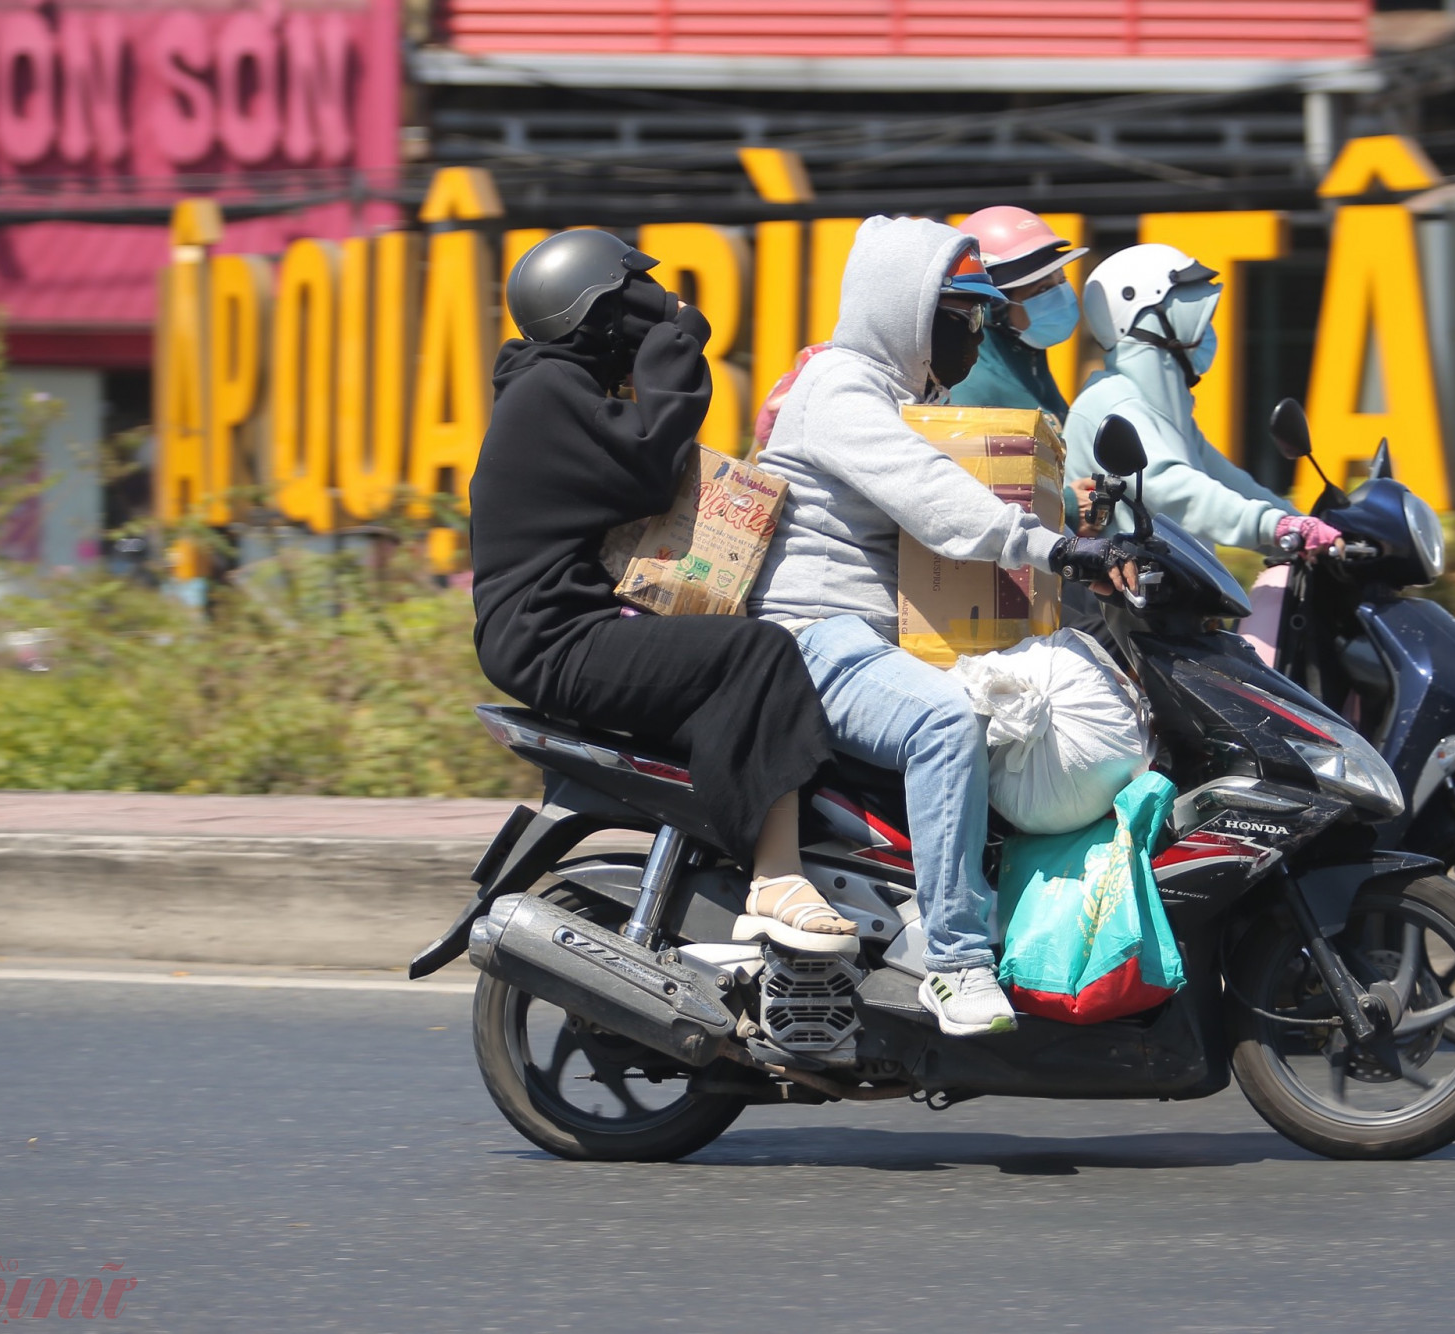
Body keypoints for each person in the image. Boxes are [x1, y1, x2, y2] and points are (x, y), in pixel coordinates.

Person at [747, 215, 1129, 1035]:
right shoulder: (842, 387)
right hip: (814, 634)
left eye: (981, 313)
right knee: (946, 722)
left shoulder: (912, 397)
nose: (972, 329)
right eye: (958, 311)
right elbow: (930, 495)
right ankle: (955, 964)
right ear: (905, 307)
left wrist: (1080, 519)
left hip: (873, 635)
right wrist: (1051, 548)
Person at [468, 229, 855, 953]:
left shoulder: (558, 388)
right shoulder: (547, 392)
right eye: (637, 293)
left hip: (565, 625)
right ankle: (775, 877)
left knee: (735, 663)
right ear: (598, 310)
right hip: (554, 636)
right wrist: (677, 343)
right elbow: (652, 460)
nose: (659, 304)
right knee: (755, 654)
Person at [1064, 243, 1343, 662]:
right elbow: (1175, 488)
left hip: (1175, 607)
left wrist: (1297, 520)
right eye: (1193, 311)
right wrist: (1275, 525)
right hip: (1124, 616)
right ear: (1152, 315)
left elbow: (1225, 479)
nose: (1208, 330)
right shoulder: (1114, 401)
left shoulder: (1161, 407)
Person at [948, 206, 1088, 421]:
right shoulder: (971, 398)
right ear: (991, 305)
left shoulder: (1032, 373)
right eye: (1040, 289)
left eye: (1061, 281)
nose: (1059, 297)